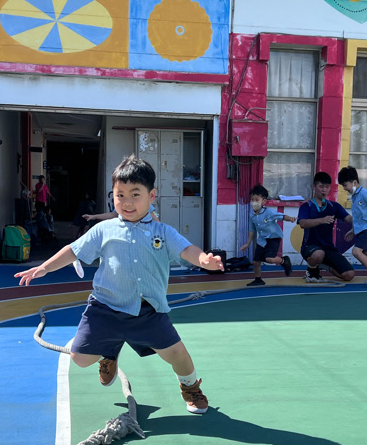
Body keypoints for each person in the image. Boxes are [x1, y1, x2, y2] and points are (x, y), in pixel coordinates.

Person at [15, 155, 224, 414]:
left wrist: (204, 260)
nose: (126, 202)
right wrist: (45, 267)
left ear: (151, 195)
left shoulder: (163, 232)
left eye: (135, 194)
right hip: (105, 309)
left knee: (177, 354)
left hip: (147, 311)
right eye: (120, 195)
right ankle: (110, 352)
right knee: (80, 358)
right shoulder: (104, 229)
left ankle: (190, 387)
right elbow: (74, 250)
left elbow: (187, 249)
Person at [297, 171, 354, 284]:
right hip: (310, 247)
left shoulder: (334, 206)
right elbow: (302, 223)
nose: (324, 190)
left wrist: (360, 218)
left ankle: (324, 266)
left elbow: (348, 218)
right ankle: (311, 270)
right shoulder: (306, 206)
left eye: (327, 187)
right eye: (321, 186)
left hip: (328, 248)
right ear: (314, 187)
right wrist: (321, 220)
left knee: (349, 275)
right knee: (318, 254)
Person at [239, 183, 295, 287]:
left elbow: (282, 216)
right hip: (262, 240)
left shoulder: (269, 213)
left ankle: (284, 260)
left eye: (257, 200)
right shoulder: (252, 215)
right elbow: (252, 230)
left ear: (264, 201)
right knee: (256, 261)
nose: (254, 202)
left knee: (269, 259)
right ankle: (258, 279)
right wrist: (247, 243)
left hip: (274, 238)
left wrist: (290, 218)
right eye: (252, 200)